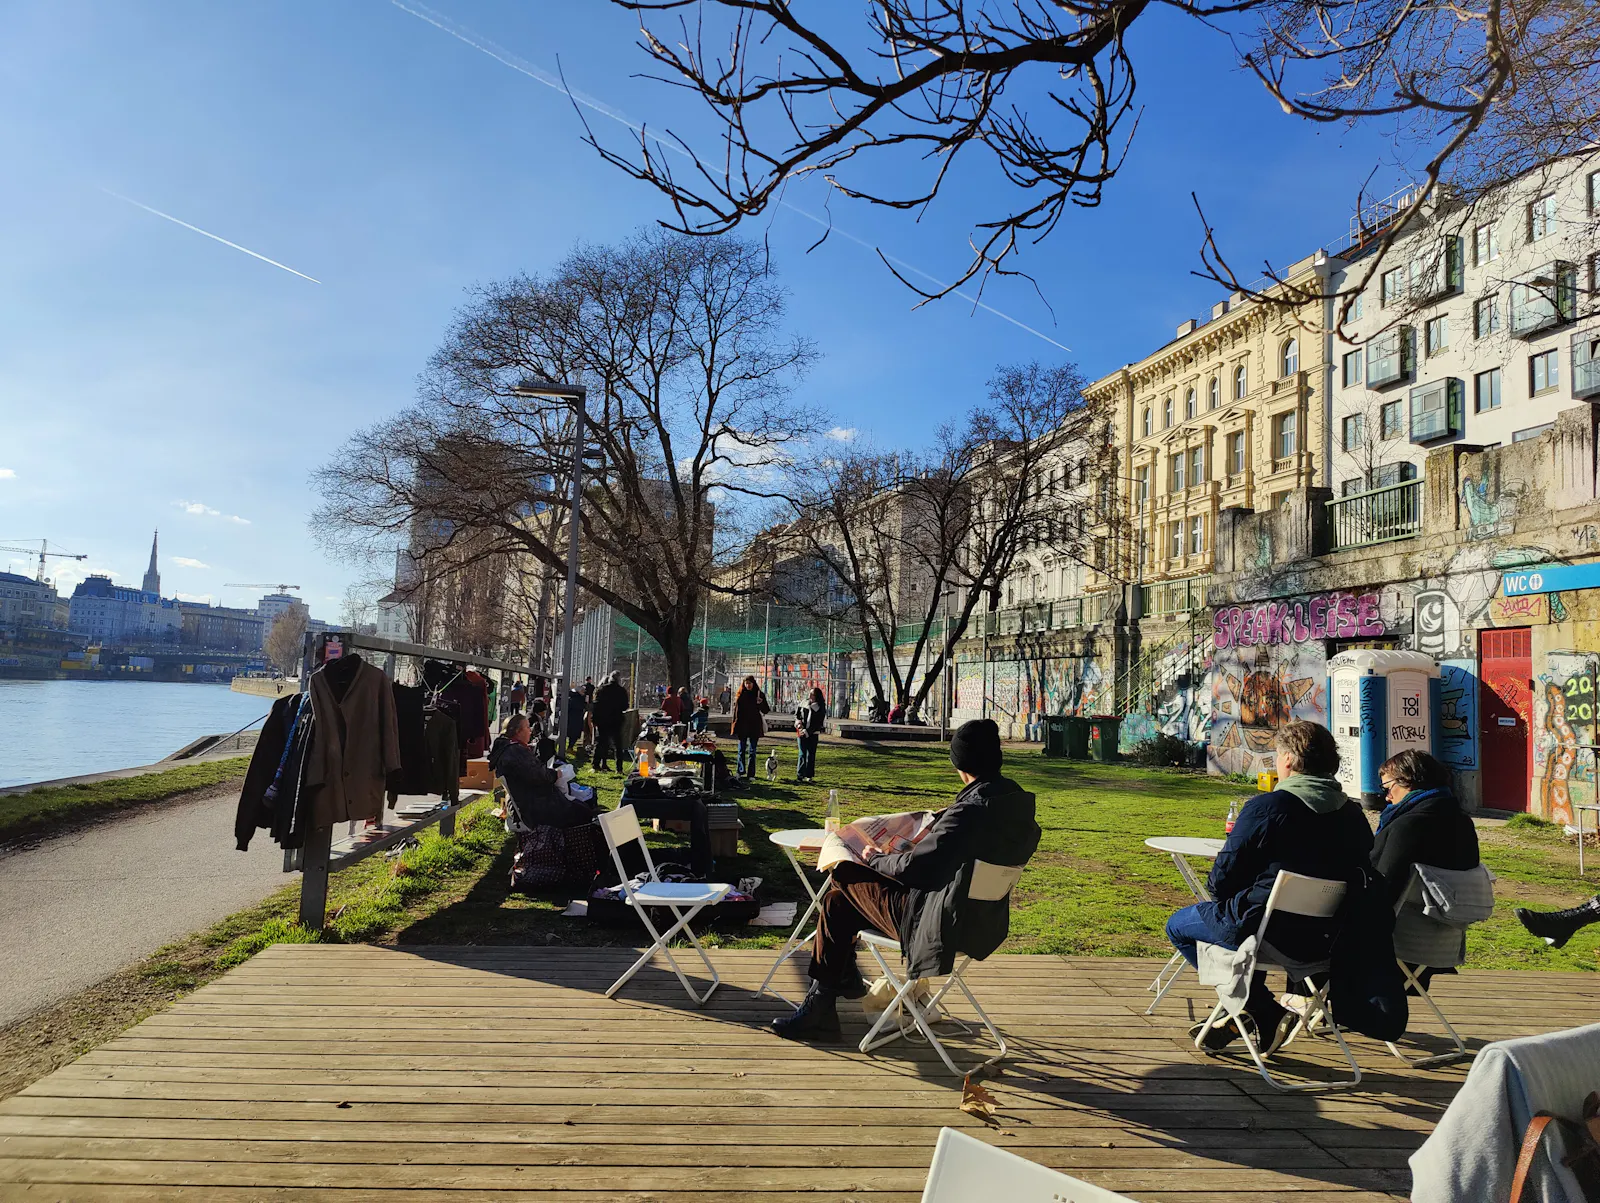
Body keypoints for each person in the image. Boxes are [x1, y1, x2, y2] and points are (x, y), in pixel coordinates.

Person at [771, 718, 1041, 1040]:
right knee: (837, 903)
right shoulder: (1012, 803)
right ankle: (829, 995)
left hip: (937, 924)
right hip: (980, 921)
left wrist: (874, 858)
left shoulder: (970, 811)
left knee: (842, 869)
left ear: (960, 762)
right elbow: (945, 857)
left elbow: (916, 869)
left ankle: (832, 992)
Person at [1164, 720, 1373, 1056]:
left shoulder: (1269, 808)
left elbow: (1220, 881)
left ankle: (1262, 1009)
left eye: (1277, 755)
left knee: (1180, 926)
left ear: (1289, 759)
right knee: (1247, 919)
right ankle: (1251, 1014)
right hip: (1330, 939)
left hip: (1267, 933)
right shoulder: (1353, 815)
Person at [1371, 749, 1479, 908]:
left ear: (1407, 780)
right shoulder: (1462, 821)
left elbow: (1384, 885)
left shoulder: (1406, 827)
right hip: (1454, 923)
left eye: (1386, 788)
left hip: (1407, 922)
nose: (1387, 797)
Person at [487, 716, 598, 831]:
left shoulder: (509, 749)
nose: (530, 730)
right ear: (517, 731)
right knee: (582, 811)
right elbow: (538, 775)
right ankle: (569, 845)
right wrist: (555, 774)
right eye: (527, 727)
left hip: (528, 801)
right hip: (534, 807)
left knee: (580, 807)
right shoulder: (515, 752)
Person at [731, 676, 770, 781]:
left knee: (752, 751)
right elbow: (736, 713)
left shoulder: (758, 694)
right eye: (746, 683)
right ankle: (740, 771)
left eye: (750, 683)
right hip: (742, 726)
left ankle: (751, 774)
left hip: (754, 726)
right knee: (741, 750)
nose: (748, 685)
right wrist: (734, 726)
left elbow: (766, 710)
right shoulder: (741, 695)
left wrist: (760, 702)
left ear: (753, 684)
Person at [590, 671, 629, 773]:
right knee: (618, 745)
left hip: (603, 720)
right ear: (618, 679)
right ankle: (619, 768)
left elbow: (596, 705)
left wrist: (594, 719)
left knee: (601, 743)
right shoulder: (621, 691)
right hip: (616, 719)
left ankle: (596, 764)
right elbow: (625, 706)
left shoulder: (601, 689)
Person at [795, 686, 826, 783]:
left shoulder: (820, 708)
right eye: (810, 693)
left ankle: (809, 775)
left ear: (817, 696)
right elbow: (797, 715)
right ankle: (800, 774)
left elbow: (818, 723)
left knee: (811, 755)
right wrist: (799, 723)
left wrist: (808, 732)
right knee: (802, 753)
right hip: (801, 732)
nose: (810, 695)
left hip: (813, 734)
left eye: (812, 694)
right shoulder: (804, 703)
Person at [564, 686, 588, 759]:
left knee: (572, 734)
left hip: (572, 718)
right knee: (574, 734)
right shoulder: (578, 699)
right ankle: (569, 748)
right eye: (583, 691)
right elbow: (583, 706)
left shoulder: (572, 697)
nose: (584, 693)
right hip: (575, 719)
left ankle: (569, 748)